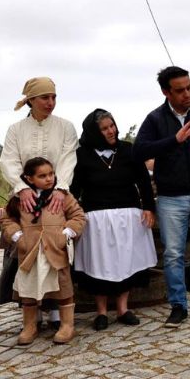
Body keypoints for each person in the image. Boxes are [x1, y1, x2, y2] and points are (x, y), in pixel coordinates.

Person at [133, 67, 190, 327]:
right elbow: (139, 151)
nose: (187, 94)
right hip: (171, 198)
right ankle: (178, 306)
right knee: (173, 254)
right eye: (180, 90)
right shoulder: (155, 119)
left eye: (189, 88)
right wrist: (175, 140)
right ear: (166, 92)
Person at [0, 77, 78, 328]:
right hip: (25, 196)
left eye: (54, 97)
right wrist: (22, 188)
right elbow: (8, 161)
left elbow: (68, 159)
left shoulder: (65, 127)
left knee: (56, 252)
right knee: (28, 254)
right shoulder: (16, 130)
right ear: (31, 100)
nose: (50, 102)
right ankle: (31, 314)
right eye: (45, 97)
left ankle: (56, 310)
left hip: (56, 194)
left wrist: (61, 189)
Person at [71, 109, 157, 330]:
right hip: (95, 219)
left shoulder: (129, 150)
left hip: (128, 215)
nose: (111, 131)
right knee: (99, 263)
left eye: (112, 126)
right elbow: (75, 188)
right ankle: (101, 312)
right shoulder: (83, 155)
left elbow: (143, 182)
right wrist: (73, 214)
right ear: (94, 132)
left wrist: (148, 207)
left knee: (125, 261)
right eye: (105, 128)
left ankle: (122, 308)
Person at [1, 157, 85, 345]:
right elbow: (7, 220)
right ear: (29, 179)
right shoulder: (18, 199)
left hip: (56, 249)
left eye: (51, 174)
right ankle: (30, 325)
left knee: (63, 287)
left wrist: (66, 233)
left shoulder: (63, 196)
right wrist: (17, 237)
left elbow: (78, 216)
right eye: (42, 176)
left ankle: (67, 325)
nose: (49, 179)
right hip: (30, 250)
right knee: (28, 288)